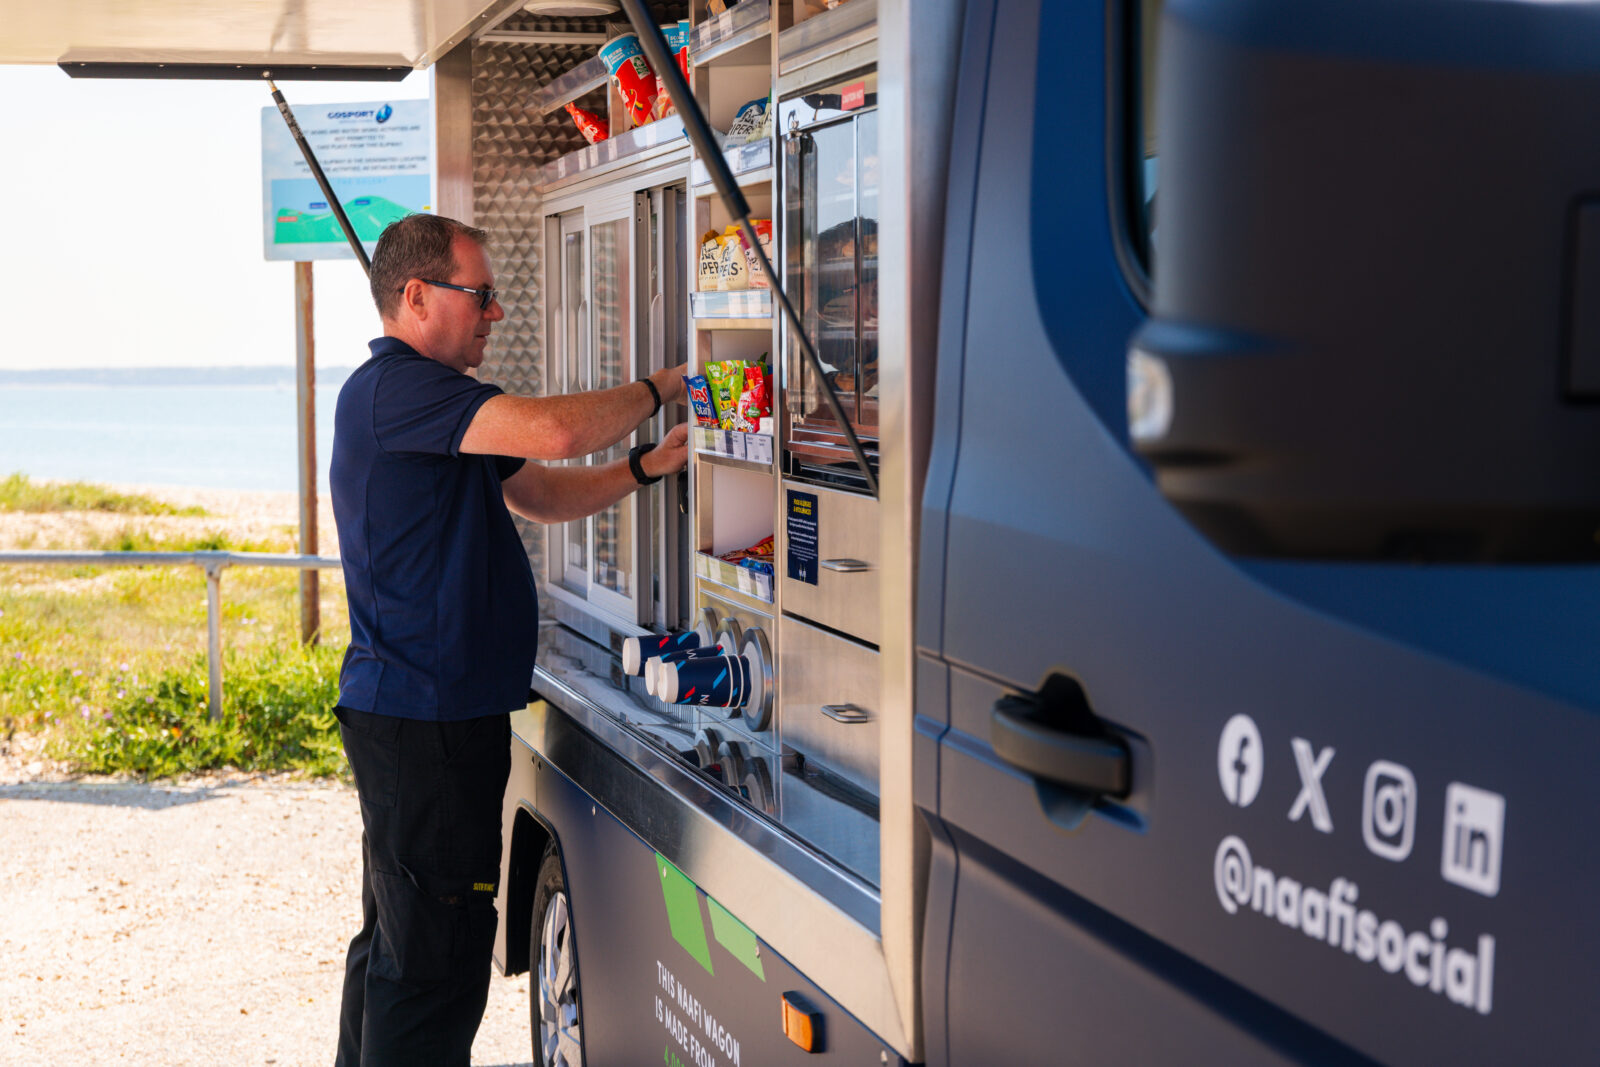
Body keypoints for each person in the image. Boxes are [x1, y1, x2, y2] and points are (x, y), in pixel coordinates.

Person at [328, 212, 687, 1066]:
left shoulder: (429, 405)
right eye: (480, 295)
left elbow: (540, 493)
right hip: (429, 727)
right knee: (434, 970)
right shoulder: (400, 390)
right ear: (416, 297)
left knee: (397, 950)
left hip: (420, 722)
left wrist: (644, 467)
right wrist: (669, 383)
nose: (495, 314)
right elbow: (555, 432)